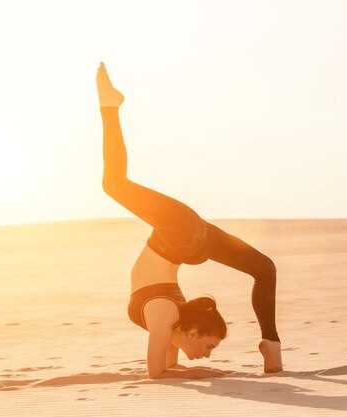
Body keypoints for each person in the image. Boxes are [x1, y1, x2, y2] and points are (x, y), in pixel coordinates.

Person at [96, 62, 283, 379]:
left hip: (186, 239)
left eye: (210, 350)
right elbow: (162, 369)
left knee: (265, 269)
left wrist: (196, 373)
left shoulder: (167, 318)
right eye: (210, 347)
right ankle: (109, 105)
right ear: (193, 332)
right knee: (113, 185)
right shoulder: (169, 318)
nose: (207, 355)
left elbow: (159, 371)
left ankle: (272, 344)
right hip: (184, 237)